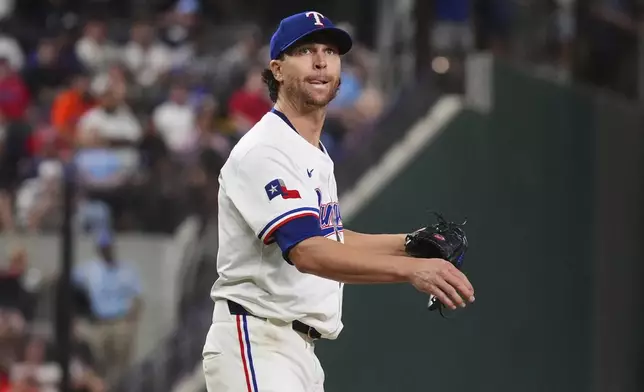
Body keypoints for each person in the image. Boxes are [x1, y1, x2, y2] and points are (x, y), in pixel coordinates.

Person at [201, 11, 475, 392]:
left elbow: (330, 237)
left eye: (330, 51)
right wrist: (412, 271)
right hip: (257, 341)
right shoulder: (265, 150)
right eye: (306, 51)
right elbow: (309, 252)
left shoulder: (312, 152)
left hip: (297, 351)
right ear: (277, 69)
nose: (321, 61)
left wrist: (409, 245)